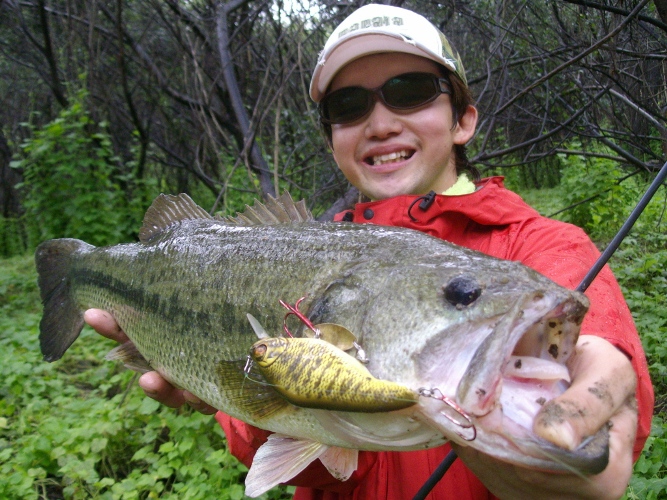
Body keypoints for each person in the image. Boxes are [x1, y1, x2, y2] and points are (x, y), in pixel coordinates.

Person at [86, 4, 653, 499]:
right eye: (349, 106)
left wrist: (574, 408)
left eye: (410, 92)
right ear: (333, 139)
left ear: (464, 119)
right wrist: (264, 404)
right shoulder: (310, 253)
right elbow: (293, 462)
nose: (380, 122)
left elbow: (595, 448)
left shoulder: (544, 247)